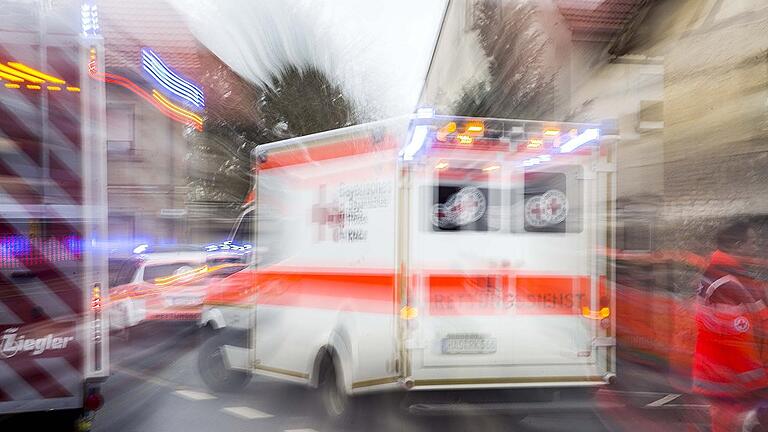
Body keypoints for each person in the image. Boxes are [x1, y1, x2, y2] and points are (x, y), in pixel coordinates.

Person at [692, 221, 768, 432]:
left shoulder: (725, 276)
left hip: (727, 378)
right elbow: (736, 339)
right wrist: (758, 382)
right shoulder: (726, 283)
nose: (756, 248)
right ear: (737, 245)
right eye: (752, 243)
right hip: (731, 379)